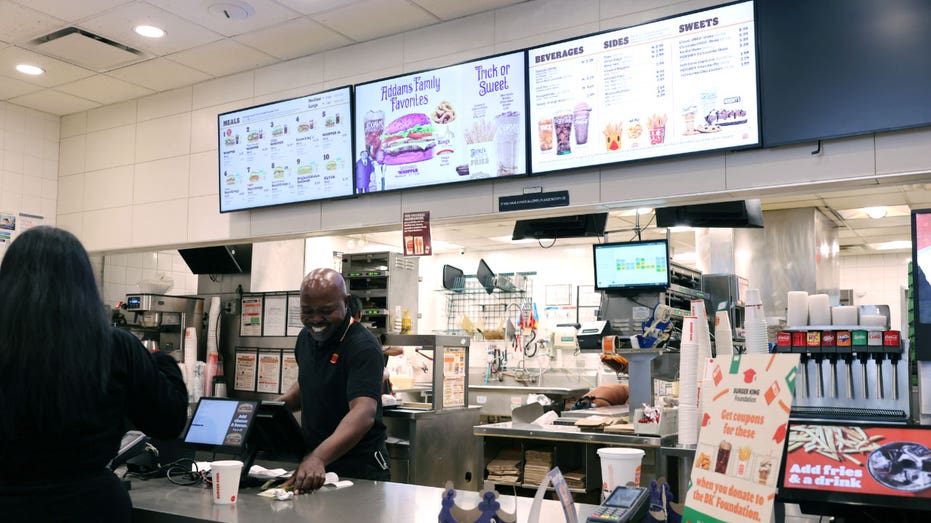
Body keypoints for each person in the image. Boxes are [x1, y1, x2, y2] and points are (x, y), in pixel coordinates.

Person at [0, 226, 188, 522]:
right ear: (84, 285)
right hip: (91, 507)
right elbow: (169, 422)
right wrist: (163, 362)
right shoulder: (115, 347)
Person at [277, 268, 389, 492]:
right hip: (315, 466)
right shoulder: (306, 338)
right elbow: (309, 384)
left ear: (345, 302)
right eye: (307, 311)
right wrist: (266, 410)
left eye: (326, 311)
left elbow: (363, 413)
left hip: (359, 469)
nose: (316, 319)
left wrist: (318, 457)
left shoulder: (363, 346)